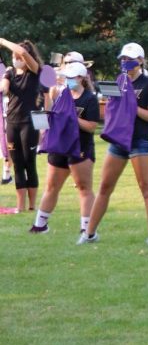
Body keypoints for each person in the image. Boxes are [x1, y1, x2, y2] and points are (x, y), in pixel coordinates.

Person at [78, 43, 148, 247]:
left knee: (146, 188)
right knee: (105, 186)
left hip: (140, 141)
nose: (125, 62)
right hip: (119, 141)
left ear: (140, 61)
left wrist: (131, 105)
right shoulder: (119, 81)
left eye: (130, 59)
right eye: (123, 58)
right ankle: (89, 234)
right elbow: (112, 112)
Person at [31, 63, 99, 234]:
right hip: (59, 146)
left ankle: (86, 228)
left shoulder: (89, 99)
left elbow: (91, 126)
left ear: (82, 78)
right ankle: (40, 225)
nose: (68, 80)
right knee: (51, 186)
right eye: (66, 77)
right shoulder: (61, 94)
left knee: (84, 187)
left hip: (80, 147)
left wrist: (71, 117)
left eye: (72, 77)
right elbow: (49, 117)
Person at [0, 38, 43, 212]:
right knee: (17, 164)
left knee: (28, 163)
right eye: (13, 56)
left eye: (17, 56)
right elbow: (4, 88)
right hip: (12, 122)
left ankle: (32, 206)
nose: (16, 58)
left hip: (29, 123)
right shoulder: (10, 72)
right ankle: (20, 206)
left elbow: (24, 52)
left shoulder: (34, 71)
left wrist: (2, 40)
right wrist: (4, 78)